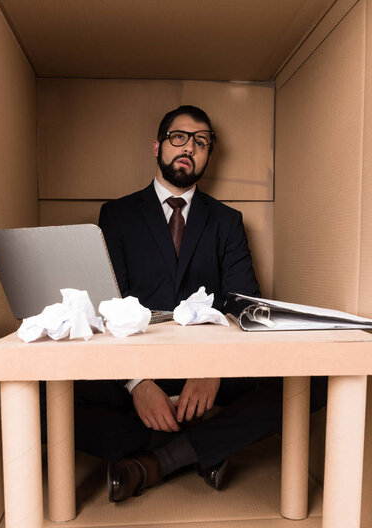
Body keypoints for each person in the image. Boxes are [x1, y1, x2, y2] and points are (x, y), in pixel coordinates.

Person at [75, 105, 325, 503]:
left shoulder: (226, 220)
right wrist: (138, 384)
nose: (189, 147)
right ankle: (202, 447)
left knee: (313, 385)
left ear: (209, 155)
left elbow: (244, 305)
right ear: (158, 146)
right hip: (137, 370)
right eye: (179, 137)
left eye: (201, 141)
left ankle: (158, 459)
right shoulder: (117, 214)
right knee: (40, 396)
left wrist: (214, 371)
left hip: (209, 372)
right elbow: (109, 304)